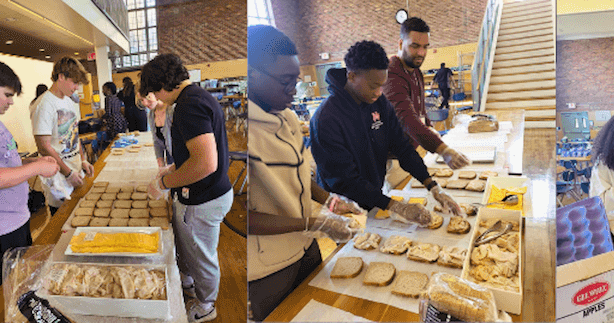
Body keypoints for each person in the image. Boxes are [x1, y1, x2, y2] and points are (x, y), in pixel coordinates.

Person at [247, 25, 362, 322]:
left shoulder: (286, 117)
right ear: (252, 75)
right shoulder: (240, 133)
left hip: (306, 247)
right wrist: (314, 221)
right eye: (285, 81)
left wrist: (332, 202)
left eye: (295, 81)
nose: (293, 90)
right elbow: (242, 218)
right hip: (269, 267)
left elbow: (300, 179)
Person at [310, 41, 461, 221]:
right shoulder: (326, 119)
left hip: (374, 194)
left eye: (382, 84)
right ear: (351, 76)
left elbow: (402, 147)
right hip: (344, 206)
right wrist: (396, 206)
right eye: (374, 86)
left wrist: (432, 186)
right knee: (355, 245)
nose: (379, 92)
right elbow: (346, 181)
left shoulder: (379, 103)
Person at [139, 52, 233, 323]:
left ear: (161, 86)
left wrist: (164, 183)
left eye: (154, 92)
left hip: (204, 197)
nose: (156, 99)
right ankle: (192, 287)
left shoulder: (188, 105)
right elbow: (196, 154)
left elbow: (205, 163)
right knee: (192, 249)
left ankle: (206, 305)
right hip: (208, 192)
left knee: (202, 255)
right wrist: (173, 167)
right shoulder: (195, 97)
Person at [0, 60, 59, 287]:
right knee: (15, 289)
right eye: (7, 95)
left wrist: (30, 161)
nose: (11, 102)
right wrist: (37, 168)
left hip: (14, 220)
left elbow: (0, 163)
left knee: (26, 281)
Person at [384, 16, 471, 171]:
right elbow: (406, 118)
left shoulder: (416, 71)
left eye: (425, 47)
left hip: (409, 151)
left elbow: (420, 110)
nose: (421, 53)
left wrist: (430, 128)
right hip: (389, 158)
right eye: (415, 46)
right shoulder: (391, 72)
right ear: (400, 43)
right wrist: (443, 150)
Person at [30, 57, 93, 215]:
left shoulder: (69, 101)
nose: (77, 88)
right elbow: (44, 147)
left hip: (75, 171)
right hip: (59, 179)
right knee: (62, 224)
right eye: (75, 82)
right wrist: (68, 173)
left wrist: (83, 159)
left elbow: (74, 133)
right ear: (61, 77)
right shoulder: (44, 105)